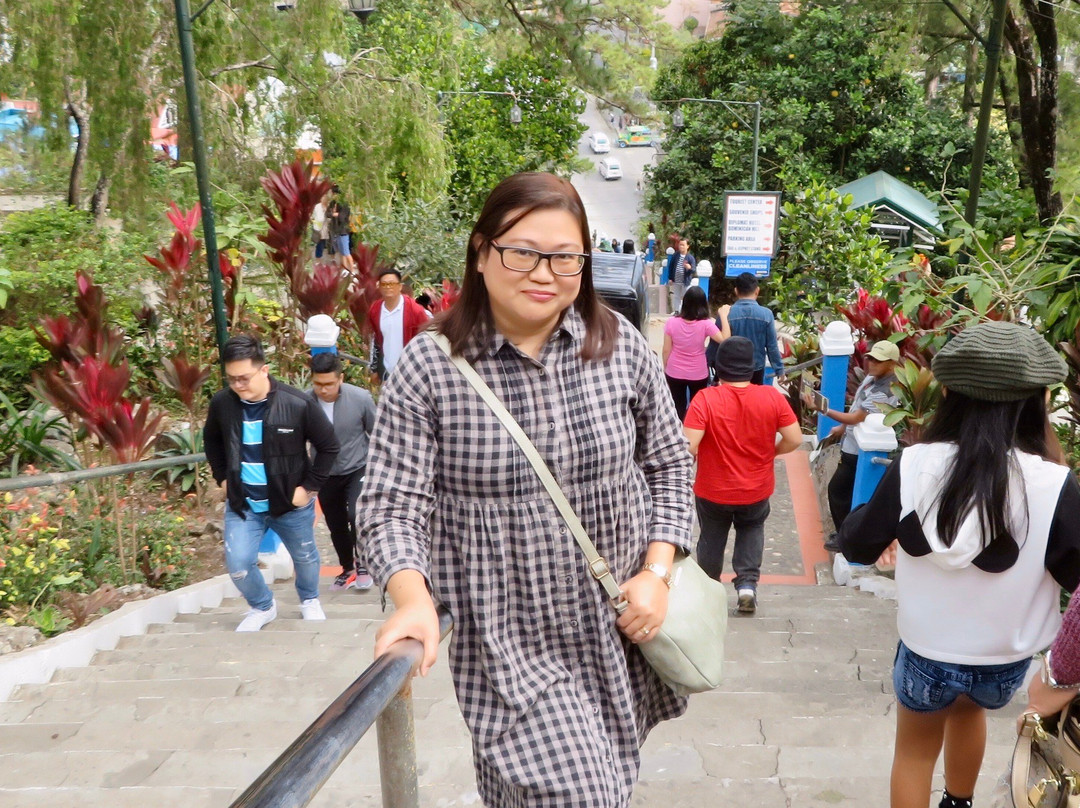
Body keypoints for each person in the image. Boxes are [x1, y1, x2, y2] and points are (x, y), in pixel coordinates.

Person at [358, 172, 693, 807]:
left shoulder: (620, 349)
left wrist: (658, 571)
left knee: (542, 792)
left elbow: (671, 465)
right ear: (482, 253)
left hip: (616, 631)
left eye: (565, 257)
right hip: (508, 647)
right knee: (586, 797)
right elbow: (391, 501)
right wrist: (409, 596)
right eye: (522, 252)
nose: (545, 273)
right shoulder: (431, 368)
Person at [837, 321, 1080, 808]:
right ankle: (959, 802)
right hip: (1005, 661)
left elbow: (857, 546)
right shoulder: (1055, 482)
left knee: (914, 751)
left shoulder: (915, 463)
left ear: (949, 393)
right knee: (968, 711)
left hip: (928, 649)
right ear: (1035, 402)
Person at [204, 335, 339, 632]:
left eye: (244, 378)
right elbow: (211, 441)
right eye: (231, 379)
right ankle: (262, 606)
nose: (238, 385)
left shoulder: (297, 403)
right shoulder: (223, 405)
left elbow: (328, 446)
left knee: (304, 556)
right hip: (244, 504)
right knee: (238, 564)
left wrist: (309, 488)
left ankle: (309, 599)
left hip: (289, 505)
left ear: (263, 370)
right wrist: (223, 478)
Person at [684, 337, 802, 615]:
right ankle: (747, 586)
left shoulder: (705, 399)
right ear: (751, 367)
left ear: (718, 366)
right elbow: (795, 438)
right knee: (752, 530)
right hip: (756, 488)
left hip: (713, 488)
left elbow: (689, 445)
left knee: (711, 537)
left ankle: (709, 592)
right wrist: (771, 452)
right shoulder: (771, 397)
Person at [804, 340, 900, 550]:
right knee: (841, 493)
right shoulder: (873, 379)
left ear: (892, 364)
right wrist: (841, 428)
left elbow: (857, 417)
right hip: (851, 445)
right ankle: (843, 534)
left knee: (839, 492)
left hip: (858, 451)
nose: (872, 363)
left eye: (878, 360)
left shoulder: (886, 390)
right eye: (871, 358)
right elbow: (858, 410)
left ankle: (845, 538)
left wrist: (822, 410)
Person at [308, 353, 377, 592]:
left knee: (356, 515)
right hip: (324, 473)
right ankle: (347, 567)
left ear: (340, 379)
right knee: (335, 522)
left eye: (329, 384)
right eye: (318, 384)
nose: (323, 390)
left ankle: (364, 564)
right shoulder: (305, 403)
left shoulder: (360, 398)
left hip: (357, 466)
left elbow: (376, 433)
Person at [662, 285, 727, 421]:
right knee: (697, 408)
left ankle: (678, 434)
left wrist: (666, 367)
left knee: (677, 406)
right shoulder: (706, 324)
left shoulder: (671, 323)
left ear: (684, 302)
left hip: (674, 372)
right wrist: (724, 316)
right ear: (703, 304)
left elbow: (666, 349)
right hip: (698, 373)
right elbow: (724, 340)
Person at [367, 267, 429, 383]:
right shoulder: (375, 310)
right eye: (384, 284)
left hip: (411, 373)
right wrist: (374, 369)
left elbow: (426, 339)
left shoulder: (415, 311)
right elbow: (376, 340)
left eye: (392, 284)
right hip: (387, 372)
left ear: (400, 286)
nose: (388, 287)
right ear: (379, 287)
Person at [723, 272, 785, 385]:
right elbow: (772, 346)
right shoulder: (766, 314)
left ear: (736, 291)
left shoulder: (727, 313)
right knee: (754, 400)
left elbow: (720, 344)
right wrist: (779, 369)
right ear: (757, 291)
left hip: (732, 370)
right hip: (756, 369)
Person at [660, 238, 695, 314]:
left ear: (687, 246)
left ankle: (685, 312)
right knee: (676, 296)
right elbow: (671, 266)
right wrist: (670, 278)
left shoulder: (690, 258)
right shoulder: (676, 255)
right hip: (676, 280)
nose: (681, 247)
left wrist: (689, 268)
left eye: (683, 245)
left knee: (686, 297)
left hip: (685, 281)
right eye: (680, 245)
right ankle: (677, 311)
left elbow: (693, 269)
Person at [326, 185, 354, 271]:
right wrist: (334, 214)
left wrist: (334, 213)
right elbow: (327, 214)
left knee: (346, 252)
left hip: (343, 231)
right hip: (335, 231)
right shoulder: (332, 203)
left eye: (333, 193)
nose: (332, 195)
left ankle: (352, 271)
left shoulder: (345, 204)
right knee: (341, 252)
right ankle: (344, 269)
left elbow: (342, 217)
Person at [311, 193, 328, 260]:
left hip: (325, 227)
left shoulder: (327, 207)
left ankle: (319, 257)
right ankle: (318, 258)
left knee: (322, 243)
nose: (323, 199)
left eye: (324, 198)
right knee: (319, 243)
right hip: (318, 227)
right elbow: (315, 216)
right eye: (322, 198)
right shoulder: (317, 206)